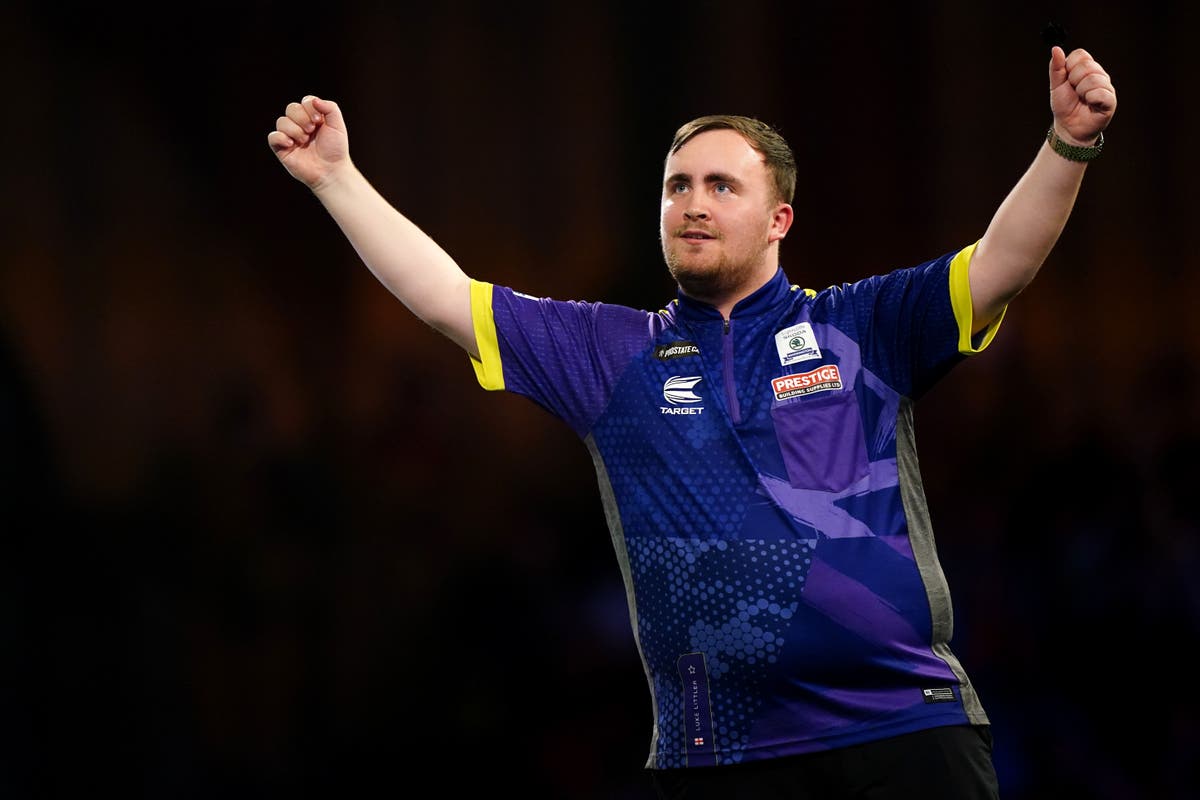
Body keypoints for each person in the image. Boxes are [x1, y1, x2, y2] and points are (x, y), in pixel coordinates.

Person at [268, 44, 1116, 799]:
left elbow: (1001, 265)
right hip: (719, 755)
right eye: (678, 186)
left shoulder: (861, 327)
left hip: (905, 730)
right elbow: (448, 298)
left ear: (779, 220)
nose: (693, 203)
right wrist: (336, 179)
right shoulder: (610, 355)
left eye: (721, 186)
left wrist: (1068, 144)